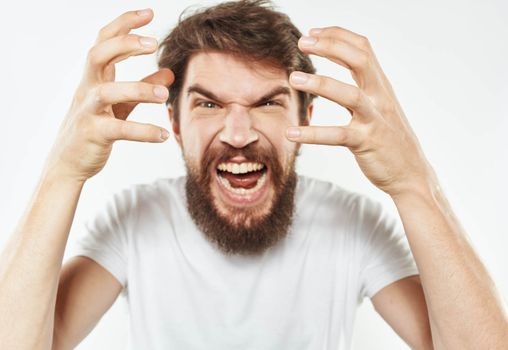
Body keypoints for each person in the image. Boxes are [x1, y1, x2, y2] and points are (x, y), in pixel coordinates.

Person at [0, 0, 506, 349]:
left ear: (305, 117)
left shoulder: (351, 222)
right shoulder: (135, 219)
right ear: (174, 122)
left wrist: (413, 183)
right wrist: (62, 173)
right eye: (208, 104)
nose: (238, 133)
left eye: (267, 103)